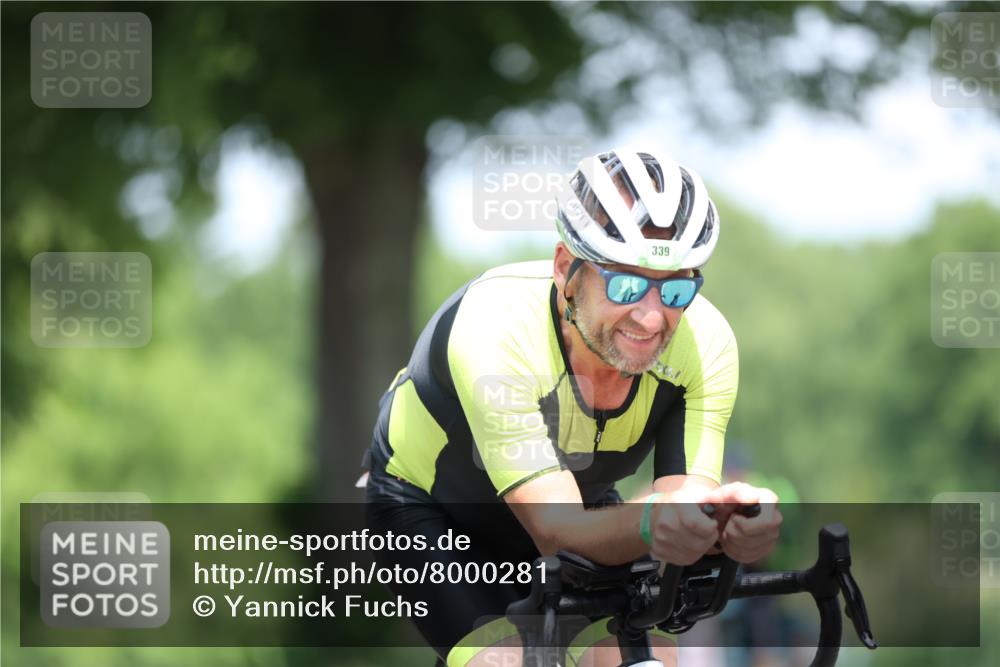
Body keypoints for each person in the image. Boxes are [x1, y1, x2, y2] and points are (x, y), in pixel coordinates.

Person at [362, 149, 783, 667]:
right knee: (508, 661)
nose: (652, 318)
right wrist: (657, 525)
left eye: (676, 288)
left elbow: (681, 508)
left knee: (642, 661)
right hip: (435, 513)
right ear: (567, 269)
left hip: (578, 503)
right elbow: (557, 530)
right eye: (626, 284)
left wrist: (724, 524)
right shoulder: (495, 329)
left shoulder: (705, 342)